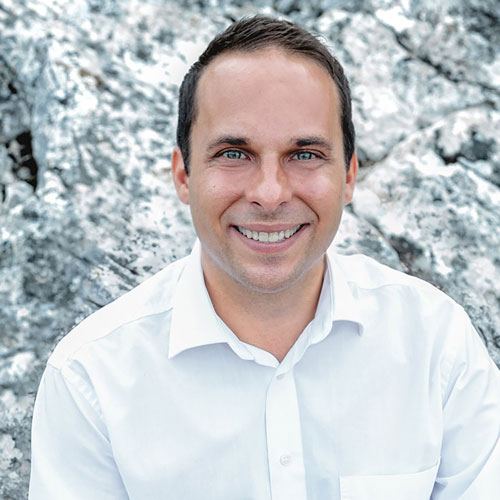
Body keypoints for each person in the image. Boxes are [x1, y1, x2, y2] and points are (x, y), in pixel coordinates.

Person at [29, 16, 500, 500]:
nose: (270, 194)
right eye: (235, 154)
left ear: (349, 176)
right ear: (184, 176)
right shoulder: (90, 380)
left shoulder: (437, 345)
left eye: (305, 154)